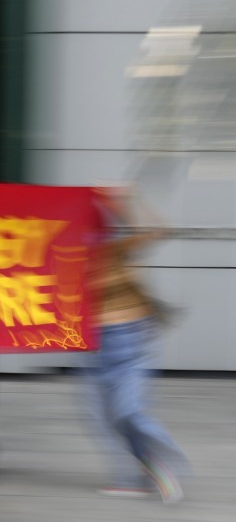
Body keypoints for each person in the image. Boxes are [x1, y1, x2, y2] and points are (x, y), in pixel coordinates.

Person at [86, 186, 188, 502]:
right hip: (95, 344)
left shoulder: (119, 247)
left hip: (127, 338)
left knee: (127, 411)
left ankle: (166, 460)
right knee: (106, 418)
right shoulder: (75, 254)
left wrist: (132, 198)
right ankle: (145, 473)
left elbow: (160, 230)